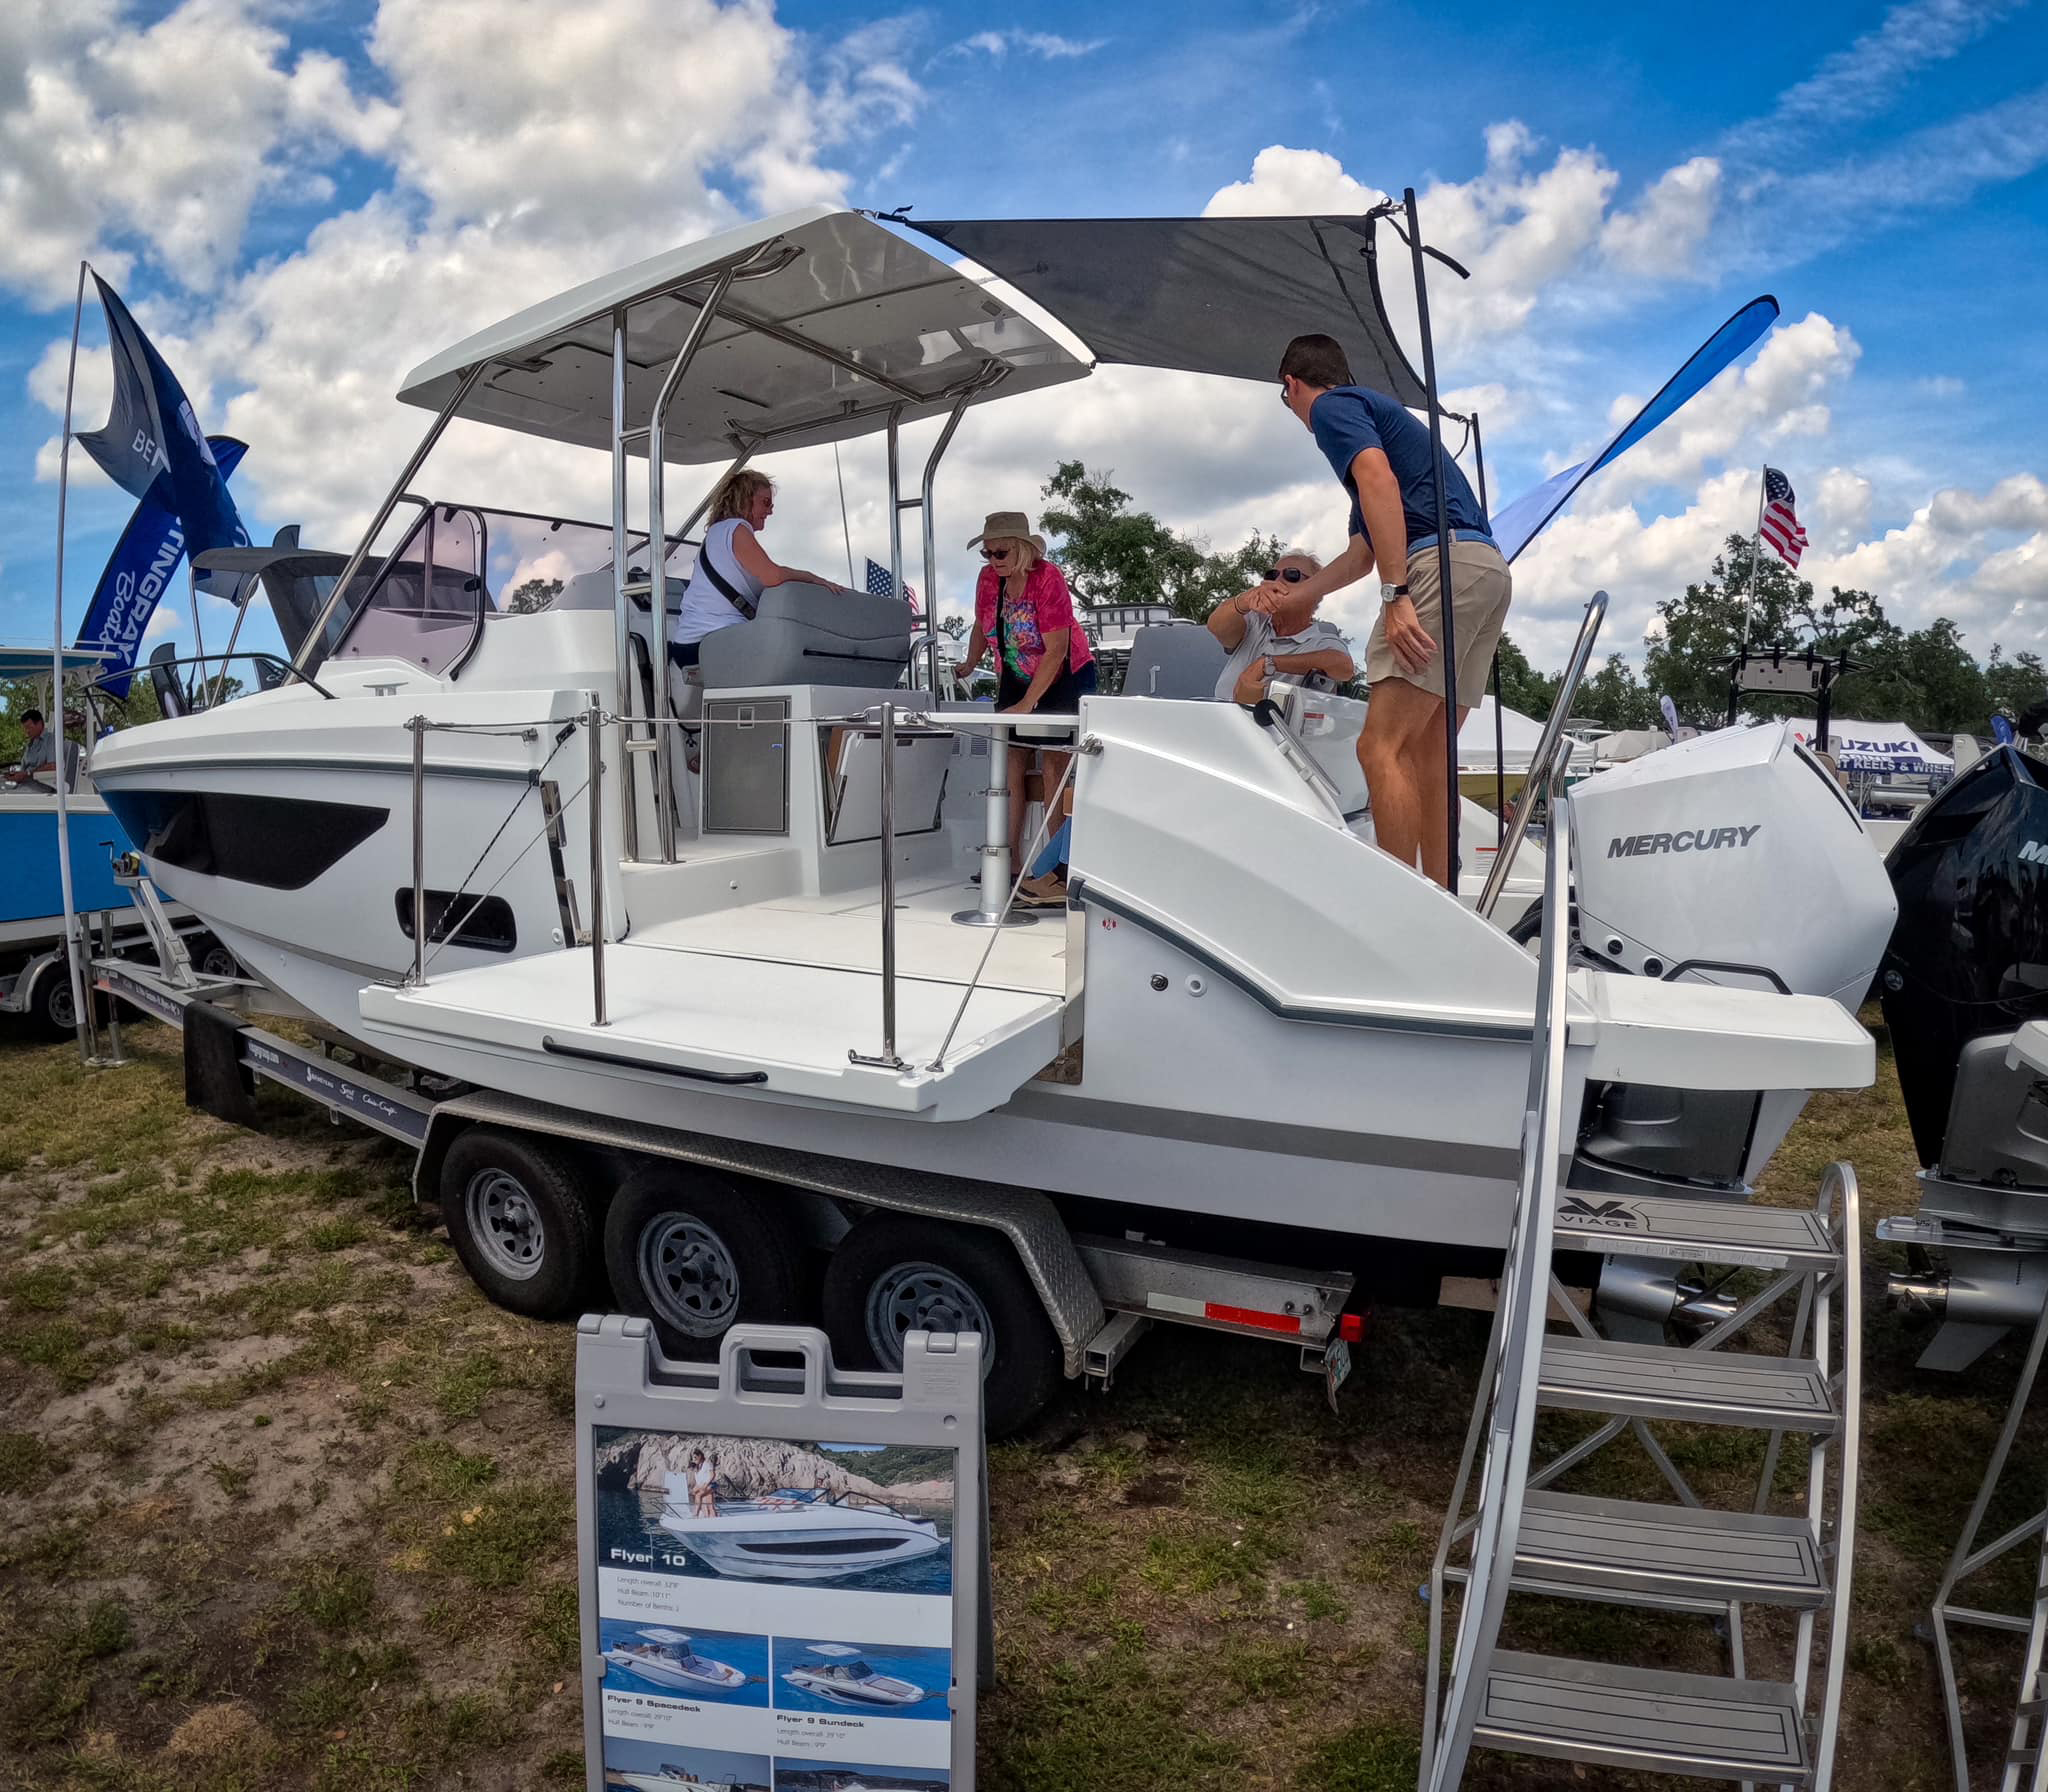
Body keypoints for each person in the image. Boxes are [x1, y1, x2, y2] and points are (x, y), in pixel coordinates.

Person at [1273, 333, 1511, 889]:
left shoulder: (1335, 408)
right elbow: (1360, 554)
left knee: (1379, 744)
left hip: (1437, 566)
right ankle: (1442, 900)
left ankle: (1399, 906)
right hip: (1482, 568)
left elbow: (1376, 480)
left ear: (1292, 385)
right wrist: (1300, 596)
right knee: (1429, 747)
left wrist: (1396, 595)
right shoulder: (1378, 419)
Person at [956, 512, 1097, 906]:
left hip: (1064, 673)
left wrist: (1027, 704)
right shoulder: (989, 579)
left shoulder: (1048, 578)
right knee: (1011, 762)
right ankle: (1009, 864)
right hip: (1015, 673)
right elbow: (982, 624)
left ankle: (1054, 873)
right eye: (986, 553)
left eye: (999, 551)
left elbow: (1056, 649)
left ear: (1020, 550)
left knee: (1054, 766)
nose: (992, 559)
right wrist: (970, 662)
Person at [1206, 551, 1355, 705]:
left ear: (1315, 592)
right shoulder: (1253, 621)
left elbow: (1344, 668)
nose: (1277, 581)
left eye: (1291, 575)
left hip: (1276, 727)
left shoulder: (1322, 642)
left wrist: (1269, 663)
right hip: (1220, 717)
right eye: (1272, 575)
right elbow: (1216, 626)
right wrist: (1245, 600)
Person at [4, 709, 59, 791]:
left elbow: (52, 766)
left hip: (38, 787)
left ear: (39, 724)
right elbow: (24, 769)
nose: (27, 731)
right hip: (23, 786)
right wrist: (16, 776)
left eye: (29, 727)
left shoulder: (50, 739)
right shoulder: (30, 743)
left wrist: (28, 773)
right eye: (25, 728)